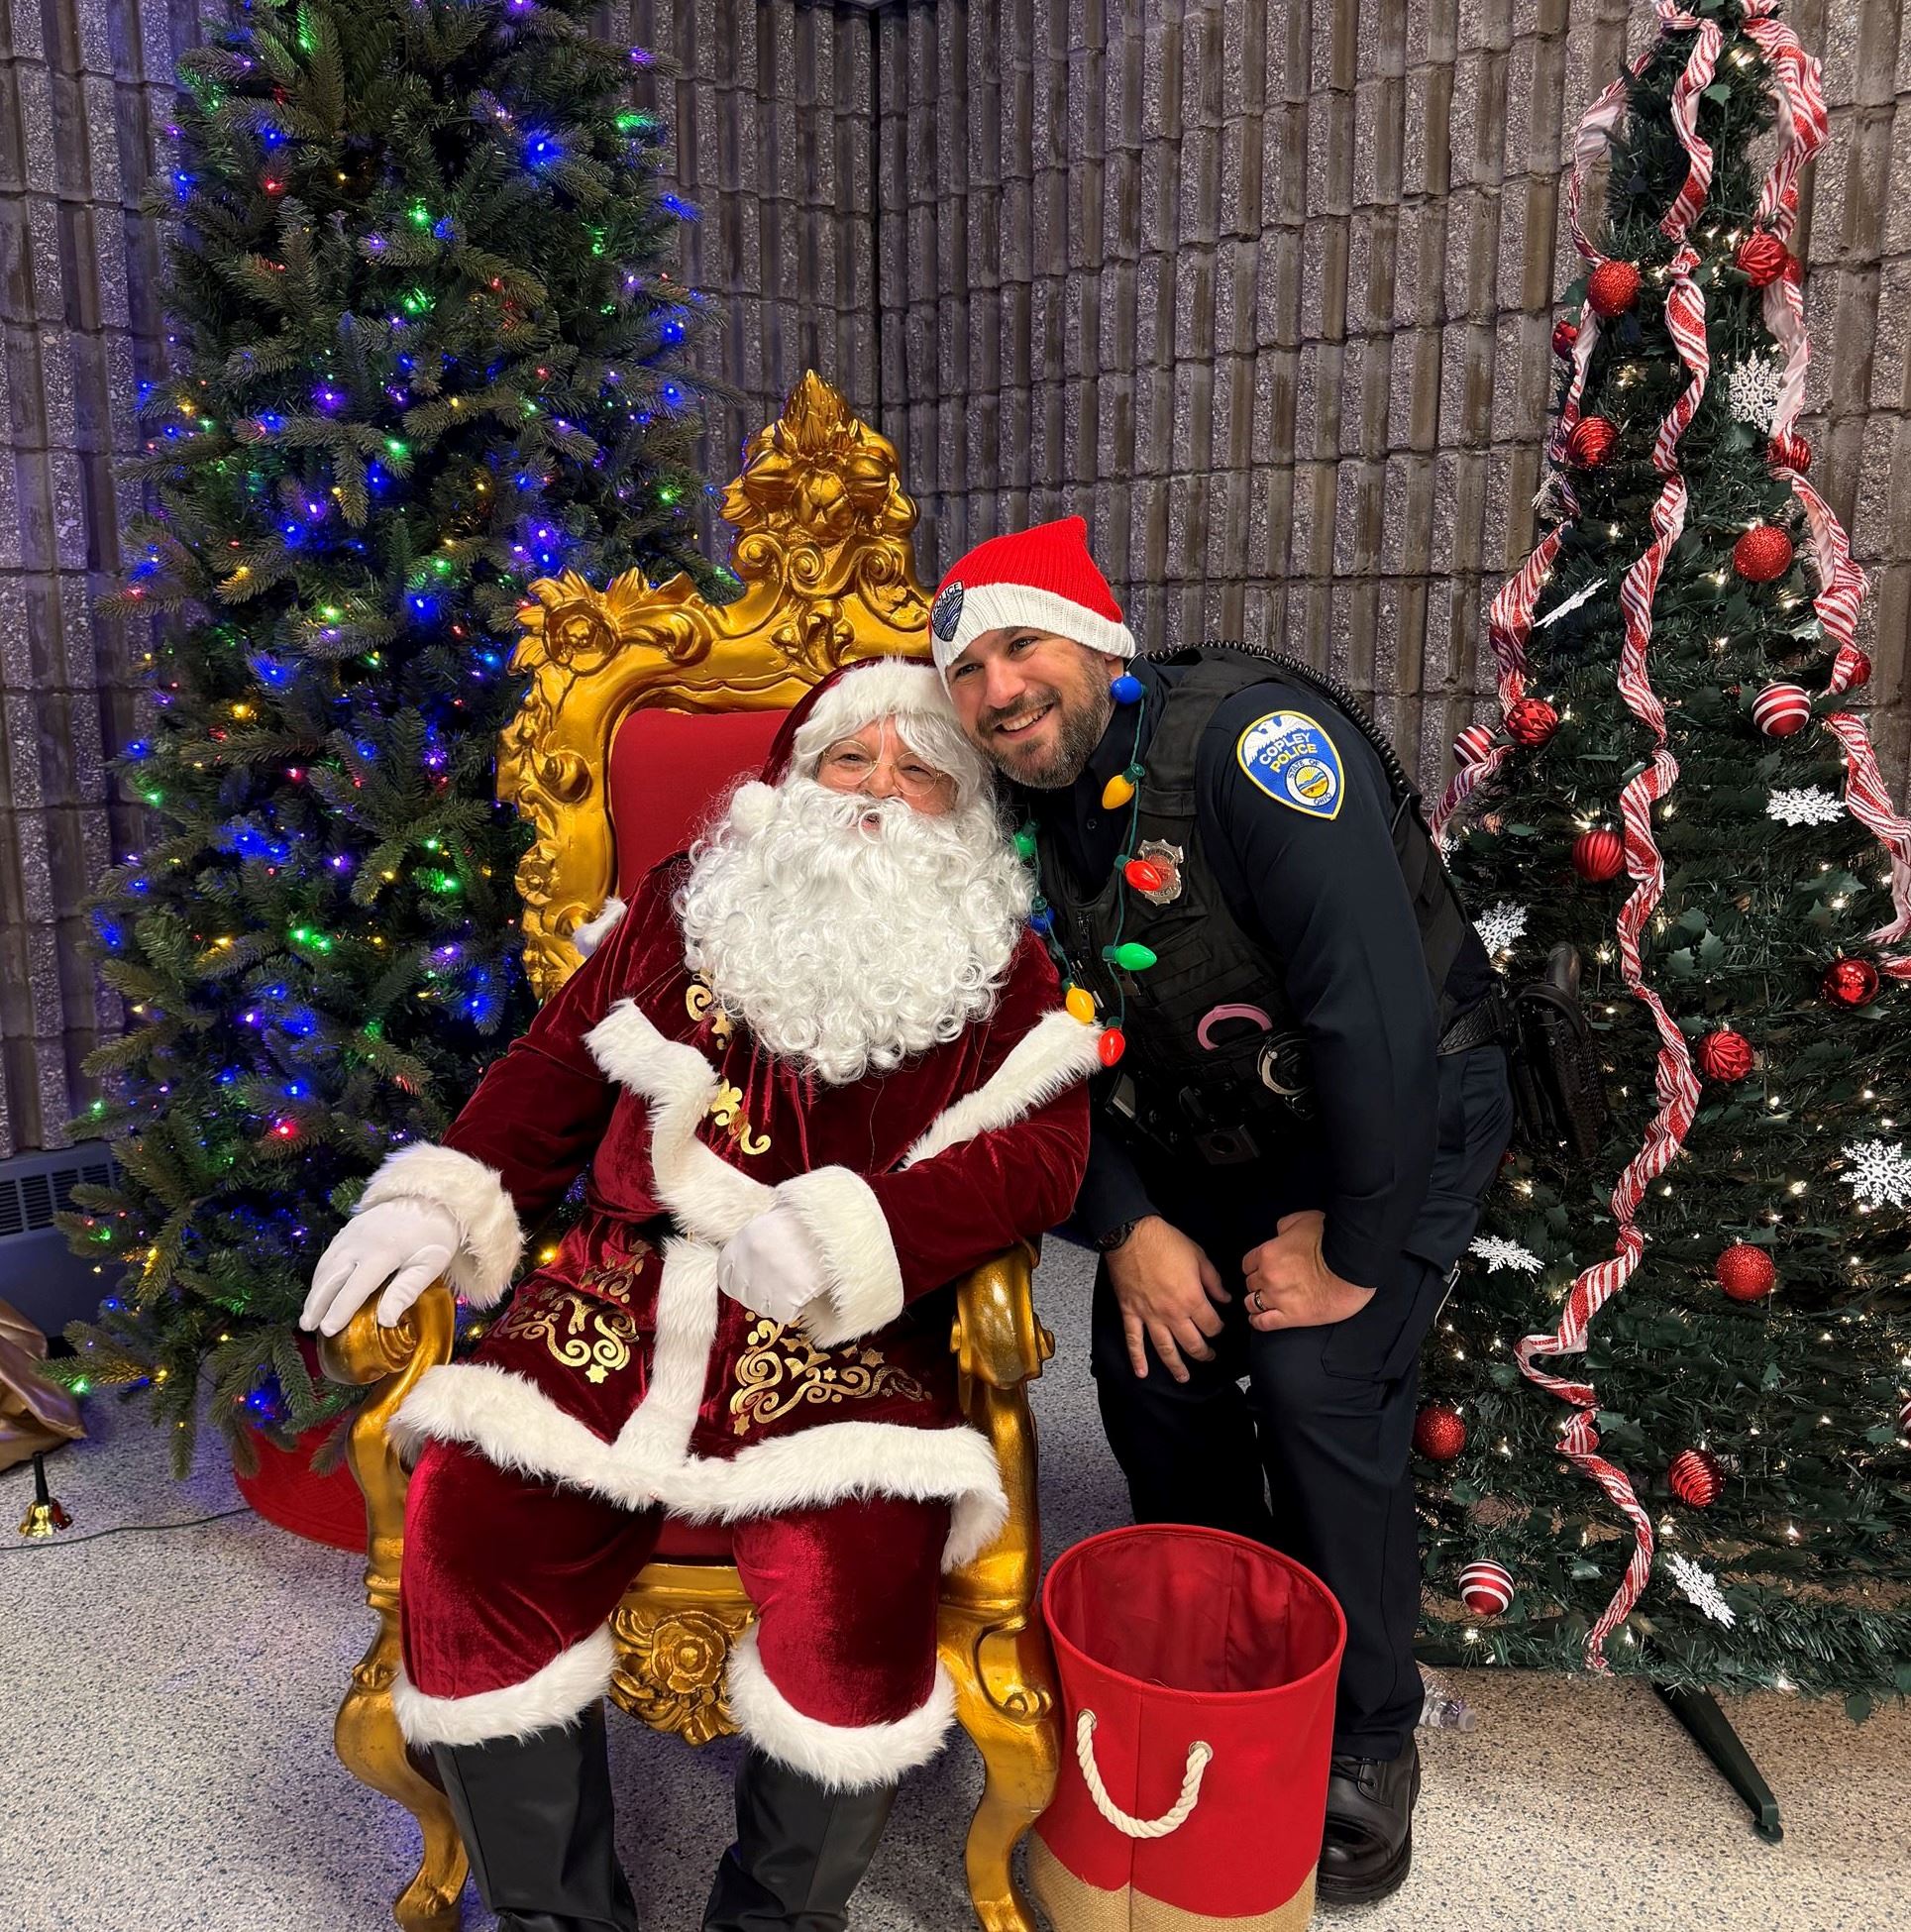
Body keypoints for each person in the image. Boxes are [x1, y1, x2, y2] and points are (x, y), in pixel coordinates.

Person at [301, 658, 1098, 1932]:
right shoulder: (692, 896)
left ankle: (774, 1920)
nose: (877, 791)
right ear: (795, 774)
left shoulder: (998, 959)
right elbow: (556, 1063)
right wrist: (437, 1194)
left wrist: (864, 1229)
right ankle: (562, 1917)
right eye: (851, 759)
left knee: (855, 1588)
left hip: (840, 1339)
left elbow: (1040, 1153)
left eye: (920, 770)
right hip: (610, 1302)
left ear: (966, 813)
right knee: (470, 1509)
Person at [932, 517, 1514, 1906]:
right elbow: (1023, 1063)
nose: (998, 690)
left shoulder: (1253, 748)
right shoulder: (995, 824)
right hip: (1197, 1132)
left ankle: (1370, 1726)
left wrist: (1354, 1246)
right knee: (1158, 1365)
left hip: (1394, 1113)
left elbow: (1373, 1015)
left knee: (1317, 1375)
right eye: (963, 670)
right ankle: (1240, 1643)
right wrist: (1128, 1224)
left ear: (1099, 643)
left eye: (1022, 645)